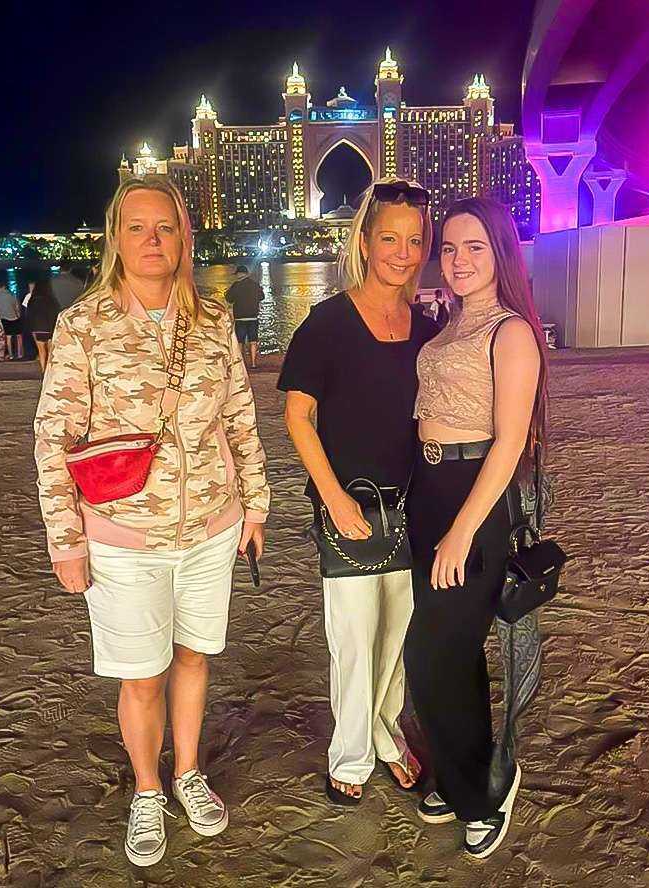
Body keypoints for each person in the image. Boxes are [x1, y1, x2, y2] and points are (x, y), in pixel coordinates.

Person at [34, 175, 270, 868]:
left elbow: (238, 420)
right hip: (121, 536)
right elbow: (54, 436)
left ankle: (187, 772)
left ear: (183, 237)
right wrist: (65, 539)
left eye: (164, 227)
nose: (151, 240)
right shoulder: (84, 325)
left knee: (194, 656)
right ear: (116, 238)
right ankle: (146, 788)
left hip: (209, 528)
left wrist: (254, 504)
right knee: (141, 675)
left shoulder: (214, 320)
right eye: (136, 227)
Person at [279, 178, 438, 804]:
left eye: (415, 240)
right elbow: (298, 415)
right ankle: (350, 749)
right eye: (390, 238)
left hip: (412, 506)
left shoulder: (425, 327)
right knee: (353, 639)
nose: (403, 252)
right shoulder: (328, 323)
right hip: (349, 506)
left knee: (396, 636)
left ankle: (385, 731)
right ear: (366, 241)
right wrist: (334, 498)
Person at [404, 196, 548, 859]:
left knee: (429, 654)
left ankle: (485, 792)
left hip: (474, 500)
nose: (458, 261)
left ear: (500, 254)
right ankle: (462, 773)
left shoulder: (509, 330)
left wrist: (462, 530)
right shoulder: (450, 323)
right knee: (453, 651)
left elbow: (508, 442)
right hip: (430, 492)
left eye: (475, 248)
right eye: (450, 249)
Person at [225, 265, 264, 369]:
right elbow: (262, 296)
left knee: (240, 342)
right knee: (253, 341)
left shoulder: (236, 285)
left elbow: (229, 299)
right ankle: (253, 363)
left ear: (239, 274)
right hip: (253, 317)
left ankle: (242, 363)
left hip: (240, 318)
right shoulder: (255, 285)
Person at [25, 279, 61, 372]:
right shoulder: (52, 300)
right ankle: (50, 371)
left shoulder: (32, 300)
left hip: (37, 328)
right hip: (49, 327)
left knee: (41, 351)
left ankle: (43, 371)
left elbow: (29, 315)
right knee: (50, 351)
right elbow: (55, 314)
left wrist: (31, 328)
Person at [0, 284, 24, 359]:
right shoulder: (12, 295)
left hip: (4, 319)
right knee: (19, 336)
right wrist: (18, 315)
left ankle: (11, 355)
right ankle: (20, 354)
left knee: (8, 338)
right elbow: (17, 307)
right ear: (5, 287)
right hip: (15, 318)